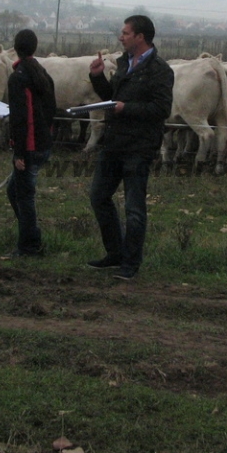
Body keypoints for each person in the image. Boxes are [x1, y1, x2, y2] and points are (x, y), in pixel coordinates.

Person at [86, 15, 173, 280]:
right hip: (114, 144)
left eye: (125, 33)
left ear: (140, 37)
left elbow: (161, 109)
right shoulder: (124, 64)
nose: (120, 37)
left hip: (139, 146)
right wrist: (97, 77)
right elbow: (111, 99)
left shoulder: (160, 70)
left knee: (134, 208)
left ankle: (130, 264)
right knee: (98, 197)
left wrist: (127, 108)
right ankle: (115, 254)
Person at [6, 29, 57, 257]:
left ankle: (29, 246)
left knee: (24, 196)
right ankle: (30, 233)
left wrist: (19, 153)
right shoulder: (42, 73)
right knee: (13, 190)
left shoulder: (18, 77)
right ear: (35, 47)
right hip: (42, 143)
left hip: (29, 146)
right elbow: (50, 108)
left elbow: (20, 117)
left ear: (15, 47)